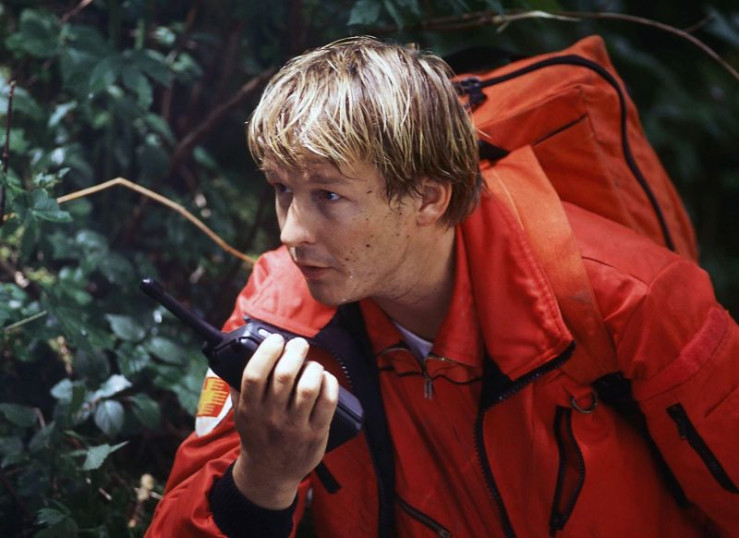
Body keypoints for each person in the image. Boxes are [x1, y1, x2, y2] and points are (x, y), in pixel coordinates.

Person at [146, 37, 739, 537]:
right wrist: (262, 480)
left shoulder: (632, 300)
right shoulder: (280, 316)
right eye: (283, 190)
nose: (290, 232)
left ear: (429, 198)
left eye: (327, 195)